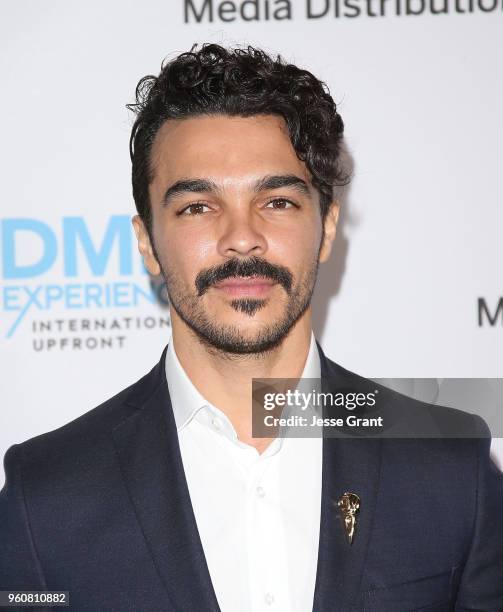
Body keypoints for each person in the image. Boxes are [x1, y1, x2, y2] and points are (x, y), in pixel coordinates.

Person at [1, 43, 502, 612]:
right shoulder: (45, 498)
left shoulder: (451, 467)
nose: (242, 236)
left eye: (279, 201)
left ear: (328, 226)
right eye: (197, 207)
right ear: (146, 242)